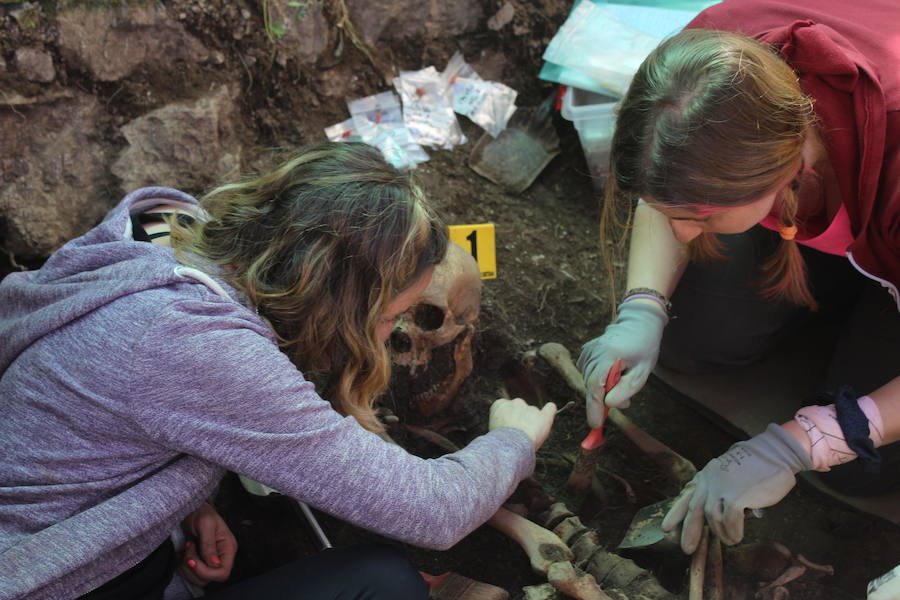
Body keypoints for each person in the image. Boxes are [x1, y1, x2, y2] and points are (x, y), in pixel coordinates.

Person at [0, 141, 557, 600]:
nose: (390, 336)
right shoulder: (202, 345)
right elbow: (433, 511)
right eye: (391, 317)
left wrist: (187, 504)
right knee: (386, 585)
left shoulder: (163, 228)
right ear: (340, 304)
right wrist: (512, 440)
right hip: (50, 584)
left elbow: (118, 404)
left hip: (67, 541)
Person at [575, 0, 900, 559]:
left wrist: (804, 443)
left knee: (861, 472)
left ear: (786, 168)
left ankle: (871, 292)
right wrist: (643, 307)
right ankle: (847, 283)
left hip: (883, 200)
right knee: (691, 340)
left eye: (697, 217)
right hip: (827, 200)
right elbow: (665, 181)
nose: (679, 231)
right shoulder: (703, 67)